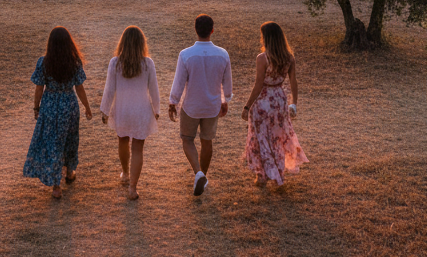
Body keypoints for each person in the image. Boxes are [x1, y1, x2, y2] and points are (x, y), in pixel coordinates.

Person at [24, 27, 92, 199]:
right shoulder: (75, 61)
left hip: (50, 104)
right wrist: (87, 107)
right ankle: (69, 172)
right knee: (70, 139)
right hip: (69, 104)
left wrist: (36, 107)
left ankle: (56, 186)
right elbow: (80, 88)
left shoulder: (43, 62)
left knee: (53, 143)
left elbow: (39, 88)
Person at [168, 14, 232, 196]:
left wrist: (173, 102)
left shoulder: (186, 54)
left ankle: (198, 173)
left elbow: (179, 82)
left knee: (187, 139)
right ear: (212, 30)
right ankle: (203, 176)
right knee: (207, 141)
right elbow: (227, 84)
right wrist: (225, 99)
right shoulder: (223, 54)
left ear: (195, 30)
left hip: (191, 106)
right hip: (212, 106)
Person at [241, 22, 307, 188]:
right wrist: (294, 104)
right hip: (279, 100)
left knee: (260, 137)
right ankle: (277, 172)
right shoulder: (289, 58)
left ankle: (261, 175)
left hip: (263, 101)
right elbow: (294, 82)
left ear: (267, 38)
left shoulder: (262, 58)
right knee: (277, 137)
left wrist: (247, 106)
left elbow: (258, 85)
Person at [100, 26, 162, 201]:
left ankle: (125, 173)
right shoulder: (148, 63)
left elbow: (109, 90)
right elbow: (154, 90)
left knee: (122, 140)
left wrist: (104, 110)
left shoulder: (115, 63)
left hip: (122, 110)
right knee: (138, 148)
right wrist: (156, 110)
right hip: (141, 110)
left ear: (123, 43)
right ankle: (132, 188)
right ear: (142, 43)